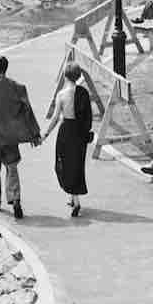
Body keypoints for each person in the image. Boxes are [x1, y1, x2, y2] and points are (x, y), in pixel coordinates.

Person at [0, 55, 42, 219]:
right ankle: (15, 199)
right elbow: (28, 111)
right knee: (12, 168)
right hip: (12, 137)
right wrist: (34, 133)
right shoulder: (18, 87)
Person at [47, 64, 93, 217]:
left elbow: (54, 118)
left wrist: (45, 134)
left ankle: (76, 200)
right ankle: (74, 198)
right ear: (79, 76)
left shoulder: (61, 94)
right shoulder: (84, 93)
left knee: (64, 164)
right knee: (77, 165)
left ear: (65, 76)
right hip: (79, 132)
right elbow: (88, 117)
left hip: (66, 131)